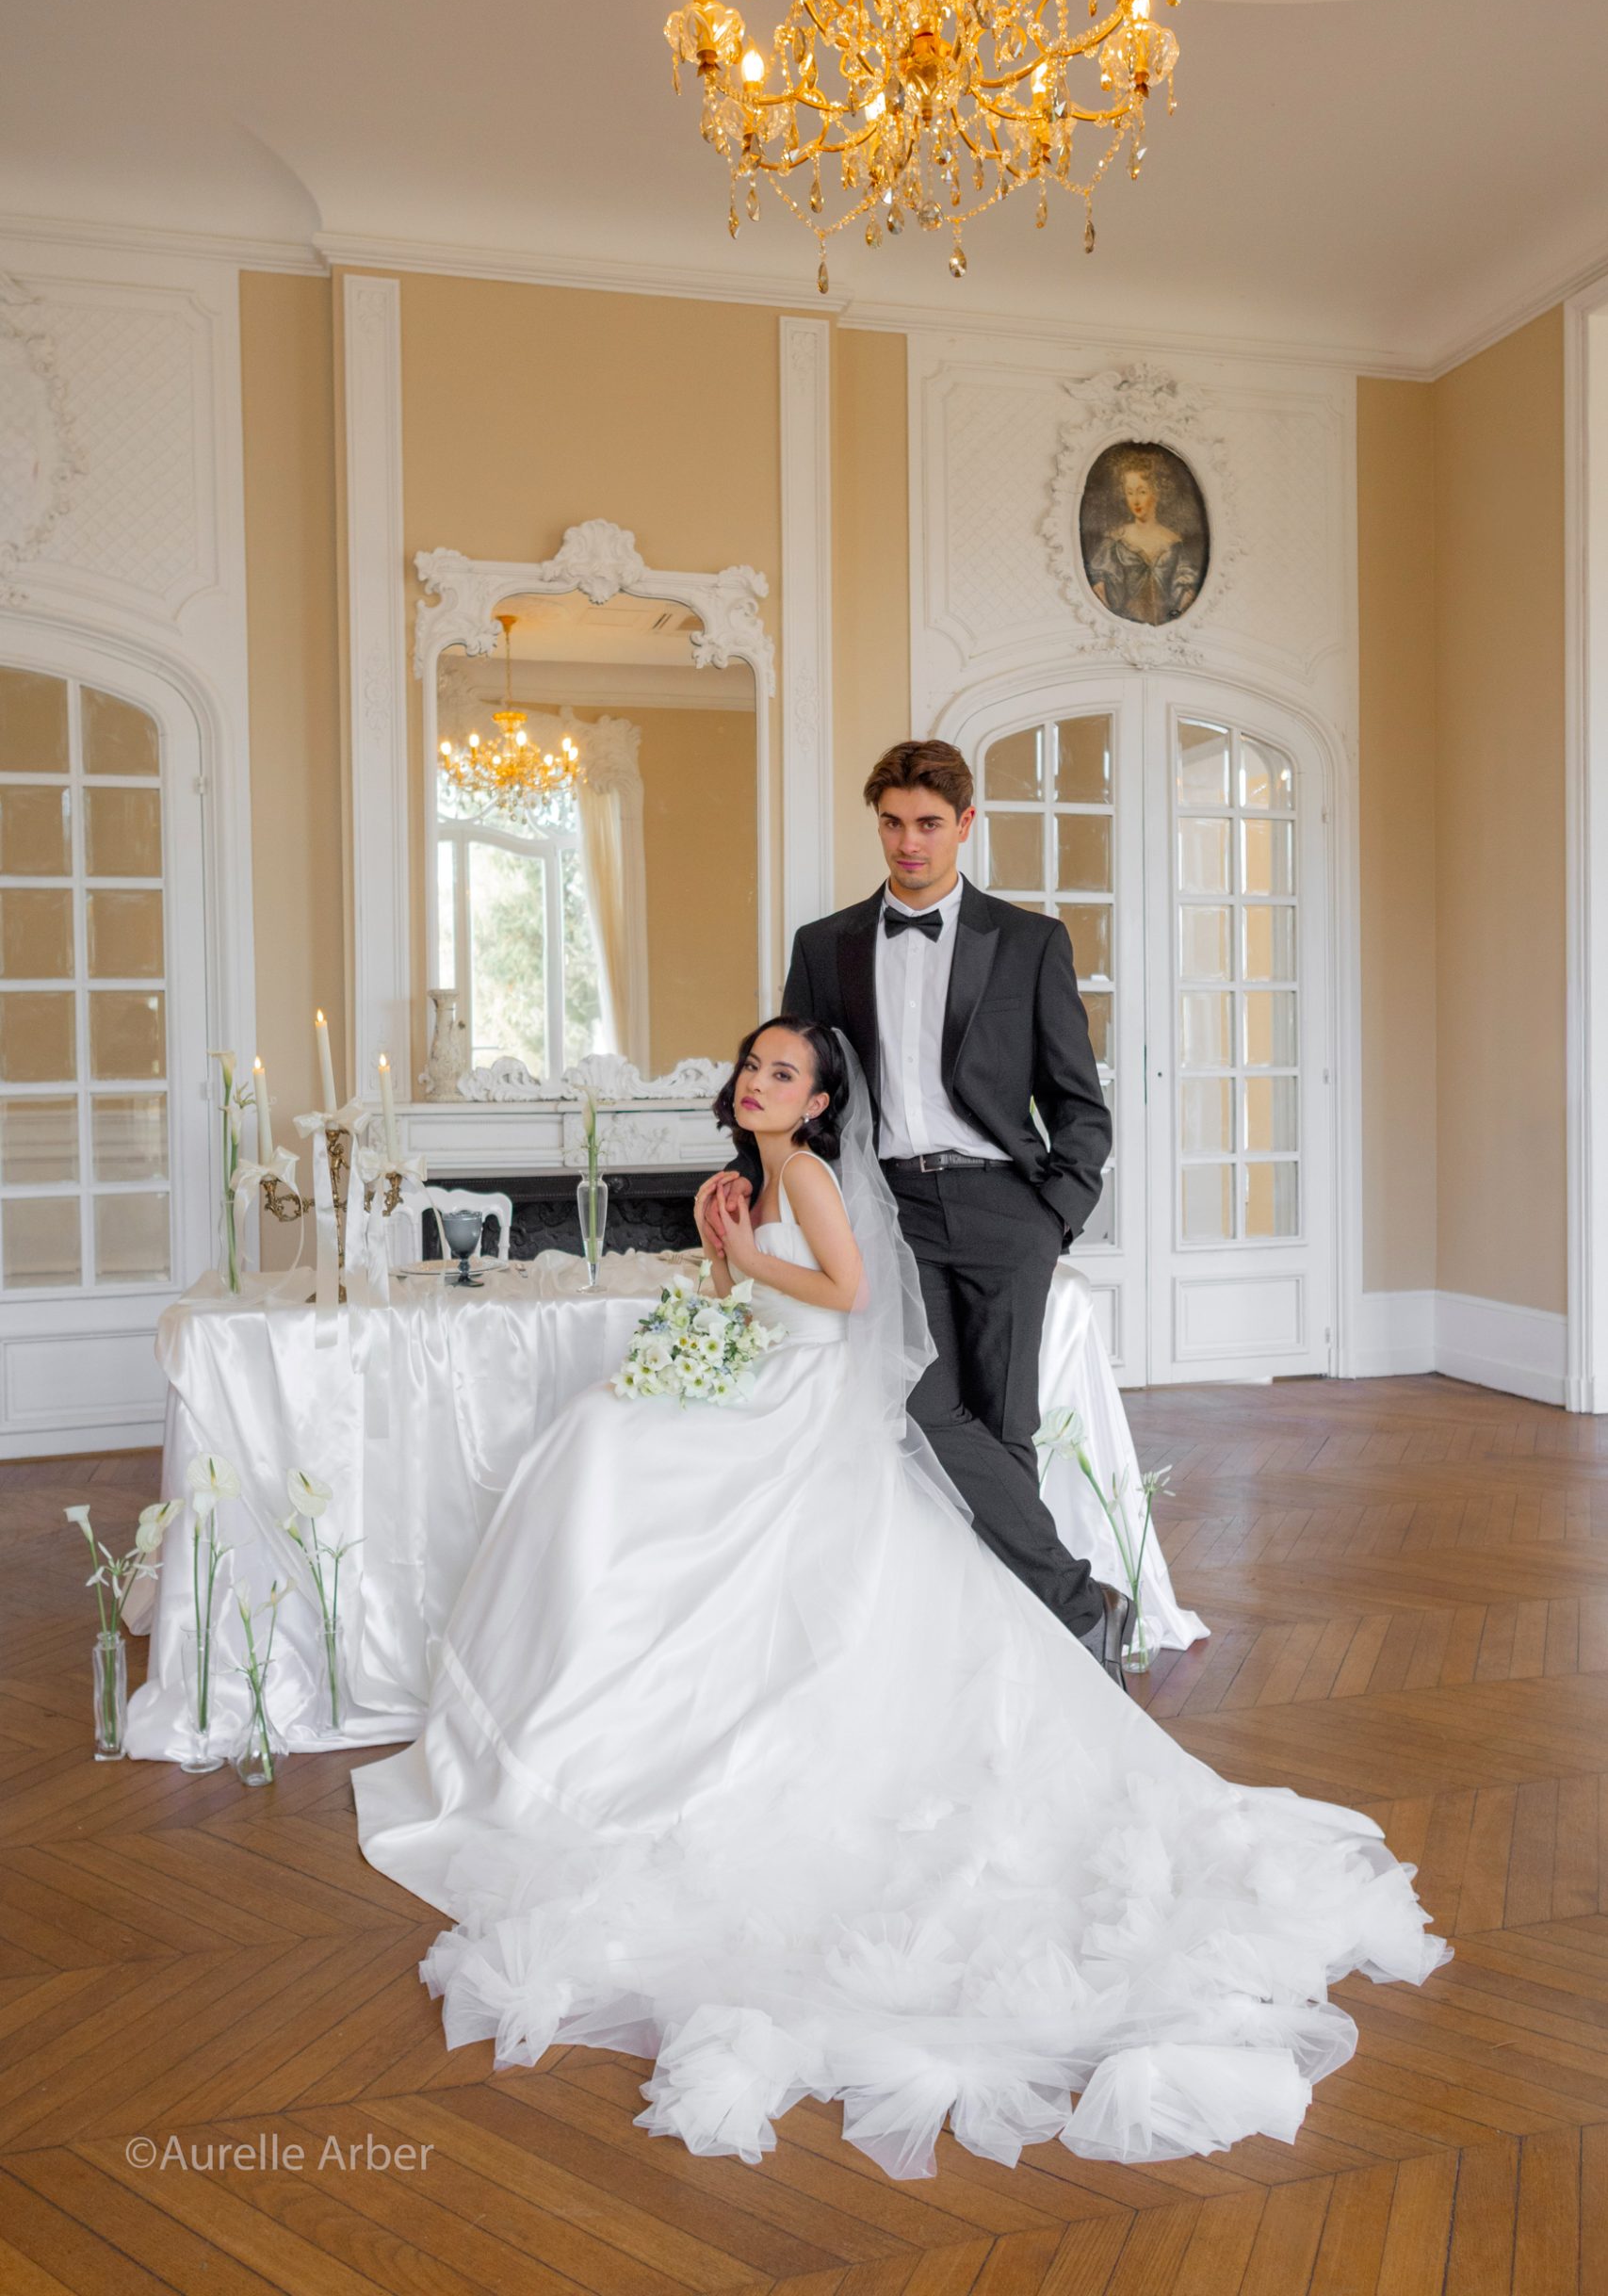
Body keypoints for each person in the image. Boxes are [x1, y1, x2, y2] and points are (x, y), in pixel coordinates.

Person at [352, 1018, 1446, 2182]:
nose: (758, 1084)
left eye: (783, 1074)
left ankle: (590, 1723)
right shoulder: (758, 1176)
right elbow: (747, 1297)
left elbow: (844, 1292)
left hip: (804, 1401)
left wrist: (751, 1255)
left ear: (818, 1104)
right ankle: (567, 1717)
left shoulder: (816, 1175)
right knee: (596, 1440)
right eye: (753, 1069)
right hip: (763, 1375)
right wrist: (721, 1239)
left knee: (606, 1450)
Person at [780, 740, 1125, 1673]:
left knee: (1003, 1424)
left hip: (1006, 1207)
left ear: (965, 825)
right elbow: (799, 1096)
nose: (908, 842)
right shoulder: (827, 947)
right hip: (888, 1214)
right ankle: (1079, 1601)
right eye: (892, 822)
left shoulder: (1028, 941)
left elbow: (1078, 1102)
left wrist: (1054, 1214)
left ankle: (1012, 1637)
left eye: (928, 824)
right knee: (924, 1402)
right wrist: (764, 1176)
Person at [1085, 450, 1202, 627]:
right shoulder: (1115, 540)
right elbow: (1100, 587)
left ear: (1157, 492)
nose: (1136, 501)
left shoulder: (1174, 542)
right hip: (1122, 628)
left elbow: (1185, 588)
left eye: (1142, 491)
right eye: (1130, 492)